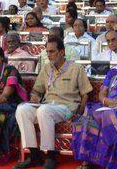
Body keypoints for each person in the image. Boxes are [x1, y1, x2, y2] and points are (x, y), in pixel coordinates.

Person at [13, 37, 93, 169]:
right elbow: (37, 90)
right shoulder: (46, 68)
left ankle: (50, 155)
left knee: (43, 111)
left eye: (52, 51)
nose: (49, 55)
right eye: (47, 52)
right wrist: (34, 96)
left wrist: (80, 113)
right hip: (47, 105)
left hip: (66, 107)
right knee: (22, 109)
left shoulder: (76, 68)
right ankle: (34, 155)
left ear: (61, 52)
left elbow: (86, 93)